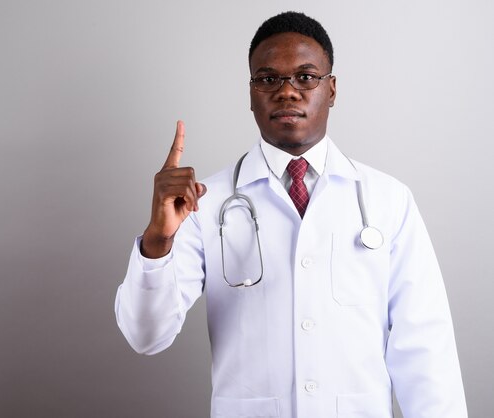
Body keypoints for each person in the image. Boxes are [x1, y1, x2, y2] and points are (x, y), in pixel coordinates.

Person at [115, 11, 467, 418]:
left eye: (306, 77)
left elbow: (425, 348)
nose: (287, 92)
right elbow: (146, 336)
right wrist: (158, 241)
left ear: (331, 89)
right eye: (268, 79)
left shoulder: (388, 200)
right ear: (250, 94)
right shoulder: (203, 204)